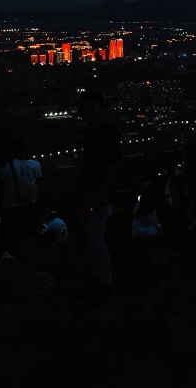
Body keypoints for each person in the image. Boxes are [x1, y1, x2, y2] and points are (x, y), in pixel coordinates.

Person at [75, 90, 121, 300]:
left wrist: (104, 193)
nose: (87, 112)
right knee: (91, 239)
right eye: (83, 109)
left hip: (98, 196)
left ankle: (106, 285)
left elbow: (114, 164)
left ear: (101, 108)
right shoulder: (88, 133)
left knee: (95, 240)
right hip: (86, 193)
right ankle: (98, 277)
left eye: (91, 107)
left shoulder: (108, 132)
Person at [0, 137, 42, 264]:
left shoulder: (8, 166)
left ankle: (4, 254)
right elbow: (38, 182)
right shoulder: (36, 165)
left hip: (10, 205)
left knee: (7, 232)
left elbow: (0, 177)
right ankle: (30, 259)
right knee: (29, 233)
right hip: (29, 204)